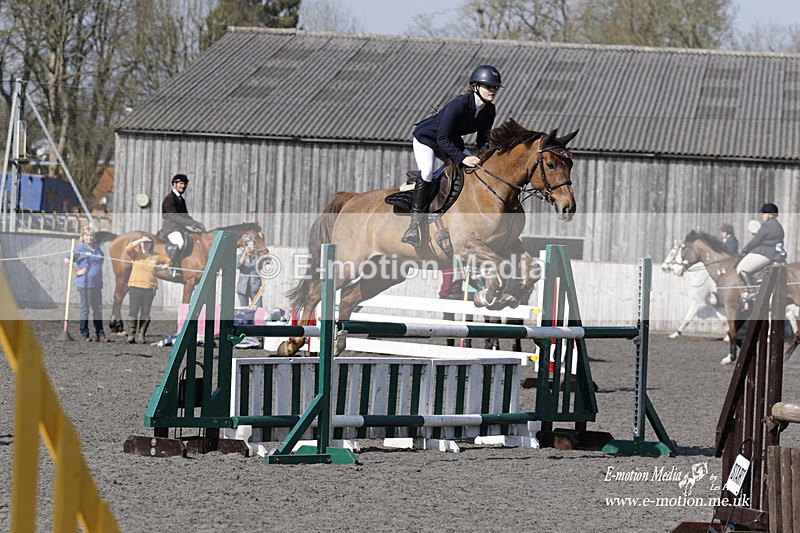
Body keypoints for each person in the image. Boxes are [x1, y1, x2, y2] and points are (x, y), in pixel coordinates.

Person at [401, 65, 503, 247]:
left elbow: (482, 139)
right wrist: (463, 158)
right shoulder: (460, 104)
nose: (493, 90)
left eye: (495, 87)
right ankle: (413, 226)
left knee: (472, 169)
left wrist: (485, 155)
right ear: (476, 87)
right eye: (489, 86)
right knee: (426, 173)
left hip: (450, 142)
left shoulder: (489, 110)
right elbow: (442, 137)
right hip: (427, 139)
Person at [64, 226, 108, 342]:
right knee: (85, 309)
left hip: (97, 284)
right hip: (85, 284)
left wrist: (96, 271)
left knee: (98, 309)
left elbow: (101, 259)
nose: (89, 237)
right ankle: (85, 334)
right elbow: (67, 260)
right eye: (87, 235)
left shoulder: (97, 248)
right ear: (83, 237)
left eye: (91, 235)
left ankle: (100, 334)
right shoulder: (80, 249)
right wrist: (77, 271)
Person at [125, 236, 170, 344]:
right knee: (133, 311)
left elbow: (168, 261)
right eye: (144, 243)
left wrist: (162, 267)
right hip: (135, 286)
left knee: (145, 312)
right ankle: (132, 334)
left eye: (148, 243)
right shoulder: (136, 254)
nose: (146, 245)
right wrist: (140, 239)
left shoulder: (156, 256)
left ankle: (141, 335)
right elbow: (128, 248)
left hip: (149, 288)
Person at [736, 203, 786, 300]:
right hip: (775, 253)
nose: (762, 216)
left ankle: (751, 292)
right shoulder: (778, 225)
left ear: (768, 214)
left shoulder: (767, 225)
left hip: (766, 253)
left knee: (741, 268)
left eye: (763, 213)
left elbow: (756, 241)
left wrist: (745, 250)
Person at [161, 173, 206, 280]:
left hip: (180, 228)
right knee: (179, 242)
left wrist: (196, 223)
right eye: (181, 183)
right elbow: (173, 216)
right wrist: (191, 224)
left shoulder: (180, 199)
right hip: (171, 228)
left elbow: (185, 216)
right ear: (174, 184)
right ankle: (171, 267)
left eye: (184, 184)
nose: (183, 186)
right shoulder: (170, 199)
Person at [236, 234, 263, 308]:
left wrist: (255, 254)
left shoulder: (259, 256)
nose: (251, 247)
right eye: (248, 245)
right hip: (243, 287)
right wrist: (245, 253)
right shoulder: (240, 256)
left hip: (255, 287)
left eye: (253, 244)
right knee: (244, 310)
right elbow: (238, 265)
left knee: (258, 308)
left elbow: (259, 266)